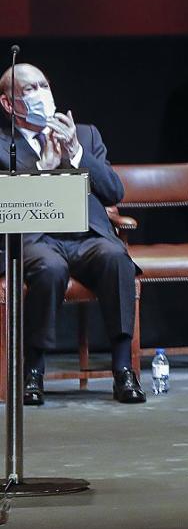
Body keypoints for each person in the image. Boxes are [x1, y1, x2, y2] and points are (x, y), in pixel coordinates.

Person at [0, 63, 144, 405]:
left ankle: (123, 370)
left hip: (86, 236)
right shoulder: (3, 145)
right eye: (30, 89)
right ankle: (33, 371)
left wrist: (76, 153)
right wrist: (42, 170)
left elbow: (114, 192)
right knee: (49, 269)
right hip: (34, 240)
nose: (41, 94)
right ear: (8, 104)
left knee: (117, 259)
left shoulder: (86, 134)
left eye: (44, 85)